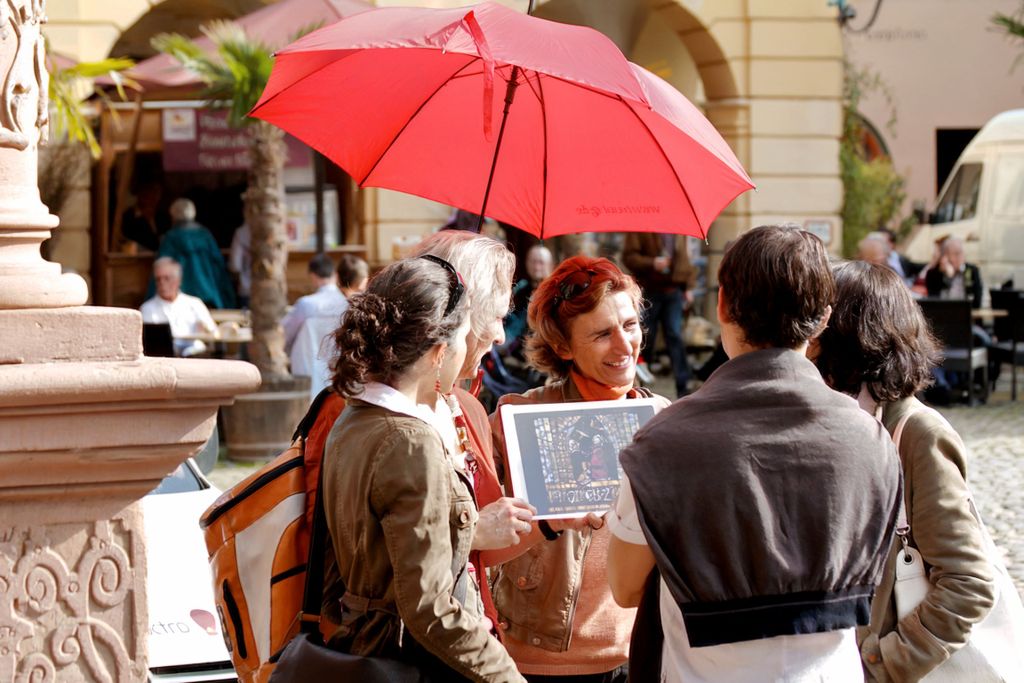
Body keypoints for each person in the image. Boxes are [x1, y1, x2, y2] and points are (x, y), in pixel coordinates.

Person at [607, 224, 903, 682]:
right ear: (823, 318)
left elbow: (625, 588)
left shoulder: (662, 442)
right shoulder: (870, 436)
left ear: (723, 304)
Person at [323, 256, 523, 682]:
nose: (473, 347)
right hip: (411, 664)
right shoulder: (409, 441)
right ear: (437, 353)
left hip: (364, 647)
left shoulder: (352, 417)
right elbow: (430, 610)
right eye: (466, 336)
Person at [489, 256, 671, 683]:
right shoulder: (520, 418)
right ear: (563, 346)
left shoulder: (663, 420)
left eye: (629, 325)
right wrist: (546, 522)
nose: (625, 345)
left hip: (637, 652)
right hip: (534, 658)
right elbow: (475, 546)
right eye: (602, 334)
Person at [812, 260, 996, 682]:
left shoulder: (916, 433)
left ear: (851, 335)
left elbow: (968, 582)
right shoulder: (838, 417)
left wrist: (882, 662)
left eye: (823, 323)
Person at [411, 230, 540, 637]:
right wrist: (472, 532)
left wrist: (554, 522)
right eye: (495, 315)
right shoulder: (368, 412)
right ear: (454, 314)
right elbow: (357, 550)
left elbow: (489, 548)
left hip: (469, 636)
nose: (501, 335)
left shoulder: (466, 408)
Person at [622, 232, 697, 397]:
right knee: (645, 338)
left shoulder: (678, 228)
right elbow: (629, 257)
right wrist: (652, 263)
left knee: (675, 335)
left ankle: (683, 385)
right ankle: (636, 384)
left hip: (674, 290)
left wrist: (688, 285)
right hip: (649, 291)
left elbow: (685, 257)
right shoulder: (640, 227)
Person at [156, 198, 237, 309]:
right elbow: (218, 265)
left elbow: (161, 267)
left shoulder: (171, 238)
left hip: (180, 298)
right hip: (209, 295)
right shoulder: (205, 235)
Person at [140, 257, 216, 357]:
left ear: (178, 280)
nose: (162, 283)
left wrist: (204, 329)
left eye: (167, 278)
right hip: (163, 359)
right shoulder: (147, 309)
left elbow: (212, 331)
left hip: (194, 359)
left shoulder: (194, 304)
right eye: (158, 279)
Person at [283, 253, 348, 353]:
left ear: (313, 276)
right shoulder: (346, 304)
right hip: (337, 364)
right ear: (335, 275)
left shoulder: (305, 304)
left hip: (307, 364)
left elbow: (285, 333)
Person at [503, 244, 554, 359]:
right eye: (533, 262)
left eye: (541, 262)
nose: (536, 267)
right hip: (515, 352)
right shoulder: (521, 288)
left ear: (550, 265)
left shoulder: (554, 293)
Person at [925, 236, 983, 309]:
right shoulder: (936, 273)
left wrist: (962, 271)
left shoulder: (971, 271)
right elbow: (932, 300)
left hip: (966, 315)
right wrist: (947, 277)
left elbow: (977, 302)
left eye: (959, 253)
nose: (957, 258)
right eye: (954, 254)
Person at [121, 181, 168, 252]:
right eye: (150, 191)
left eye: (157, 192)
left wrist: (151, 223)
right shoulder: (128, 216)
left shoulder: (163, 216)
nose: (153, 196)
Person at [228, 222, 251, 308]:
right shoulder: (277, 229)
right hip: (272, 292)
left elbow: (235, 266)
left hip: (247, 288)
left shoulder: (242, 232)